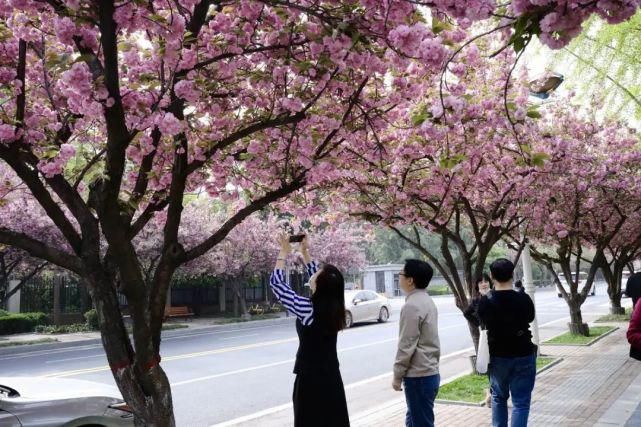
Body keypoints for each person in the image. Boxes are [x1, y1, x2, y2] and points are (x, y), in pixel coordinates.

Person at [269, 235, 349, 427]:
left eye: (316, 274)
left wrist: (283, 253)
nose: (313, 273)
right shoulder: (335, 308)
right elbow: (322, 279)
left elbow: (278, 286)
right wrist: (305, 253)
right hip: (331, 378)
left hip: (311, 380)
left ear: (319, 285)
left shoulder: (308, 309)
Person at [478, 259, 537, 427]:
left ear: (491, 276)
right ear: (512, 275)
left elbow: (482, 321)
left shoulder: (486, 301)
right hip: (523, 354)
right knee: (521, 403)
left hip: (498, 357)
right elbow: (530, 318)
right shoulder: (523, 298)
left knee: (498, 397)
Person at [392, 259, 440, 427]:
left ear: (410, 280)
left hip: (419, 376)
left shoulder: (411, 306)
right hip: (429, 372)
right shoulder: (427, 300)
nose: (399, 277)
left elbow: (406, 345)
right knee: (413, 420)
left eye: (400, 274)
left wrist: (397, 376)